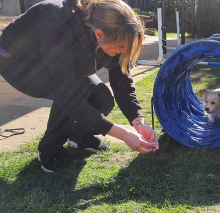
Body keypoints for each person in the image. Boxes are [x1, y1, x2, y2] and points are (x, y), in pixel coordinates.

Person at [0, 0, 159, 173]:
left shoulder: (111, 31)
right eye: (121, 47)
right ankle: (49, 152)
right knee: (75, 93)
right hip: (16, 62)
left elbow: (122, 83)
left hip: (56, 58)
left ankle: (80, 137)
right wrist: (123, 134)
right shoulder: (57, 25)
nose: (122, 51)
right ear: (99, 35)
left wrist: (138, 121)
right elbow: (69, 97)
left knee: (102, 97)